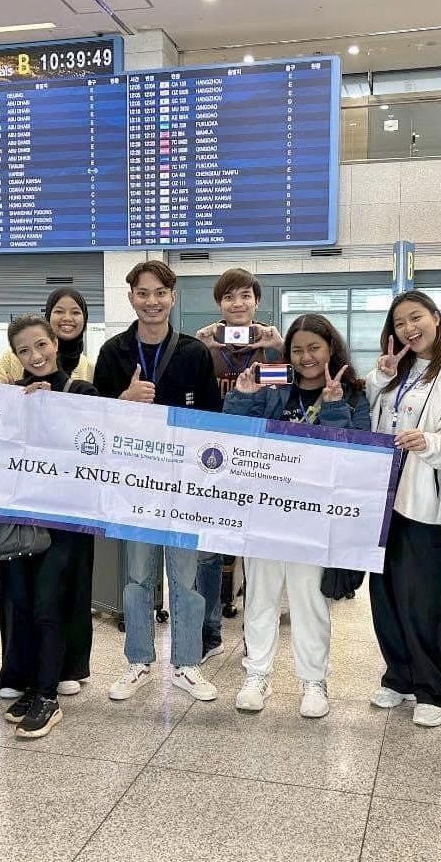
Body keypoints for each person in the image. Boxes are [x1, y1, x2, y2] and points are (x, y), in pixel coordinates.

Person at [224, 314, 371, 717]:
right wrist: (242, 398)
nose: (306, 357)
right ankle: (257, 674)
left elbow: (359, 454)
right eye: (298, 350)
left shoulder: (353, 394)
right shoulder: (274, 388)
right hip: (265, 511)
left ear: (331, 349)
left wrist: (335, 407)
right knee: (260, 597)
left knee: (309, 601)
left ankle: (313, 681)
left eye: (315, 348)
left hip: (315, 517)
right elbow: (237, 439)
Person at [94, 260, 222, 702]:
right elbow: (95, 420)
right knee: (136, 578)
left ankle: (187, 663)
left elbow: (212, 420)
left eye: (160, 293)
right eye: (143, 293)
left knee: (185, 579)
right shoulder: (113, 352)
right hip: (134, 485)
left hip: (184, 486)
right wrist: (124, 400)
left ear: (173, 297)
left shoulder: (194, 353)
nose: (152, 301)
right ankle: (138, 661)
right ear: (131, 297)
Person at [365, 290, 441, 728]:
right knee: (384, 593)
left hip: (423, 501)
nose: (409, 328)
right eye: (400, 322)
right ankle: (399, 677)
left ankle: (431, 689)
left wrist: (428, 442)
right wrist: (380, 376)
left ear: (436, 318)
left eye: (416, 317)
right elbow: (371, 419)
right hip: (380, 498)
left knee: (421, 599)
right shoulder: (395, 370)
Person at [0, 287, 96, 702]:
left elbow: (95, 447)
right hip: (21, 510)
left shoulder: (83, 391)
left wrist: (59, 411)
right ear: (15, 356)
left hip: (69, 513)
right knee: (17, 592)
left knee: (61, 591)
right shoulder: (9, 396)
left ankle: (66, 667)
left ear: (55, 343)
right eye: (24, 350)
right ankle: (16, 670)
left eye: (40, 345)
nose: (35, 356)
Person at [194, 267, 284, 661]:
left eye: (245, 295)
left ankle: (254, 639)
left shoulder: (271, 346)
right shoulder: (205, 346)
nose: (238, 304)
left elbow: (284, 398)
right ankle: (209, 633)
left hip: (258, 461)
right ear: (219, 304)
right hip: (213, 460)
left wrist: (279, 348)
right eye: (229, 297)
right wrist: (198, 350)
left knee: (256, 556)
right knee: (209, 553)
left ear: (257, 302)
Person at [0, 287, 94, 385]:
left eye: (75, 312)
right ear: (48, 316)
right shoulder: (12, 358)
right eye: (59, 311)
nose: (67, 318)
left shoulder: (88, 368)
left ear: (84, 319)